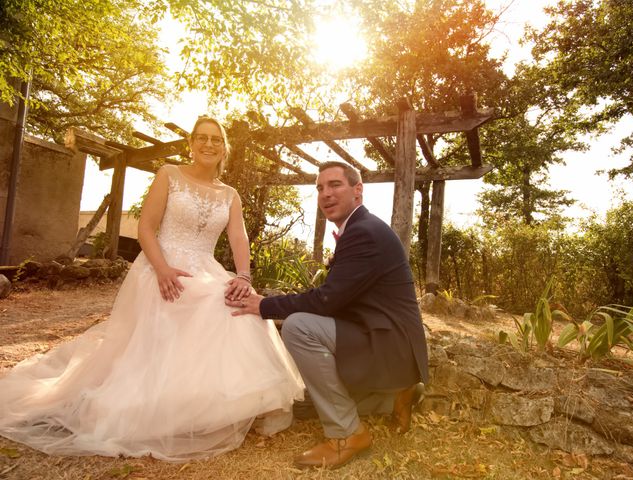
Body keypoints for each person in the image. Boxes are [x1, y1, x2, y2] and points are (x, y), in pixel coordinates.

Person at [0, 116, 304, 462]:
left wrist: (244, 276)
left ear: (224, 148)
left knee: (239, 305)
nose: (208, 144)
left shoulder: (230, 195)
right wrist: (162, 270)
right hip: (161, 264)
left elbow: (239, 236)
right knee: (188, 316)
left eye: (215, 139)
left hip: (205, 267)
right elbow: (146, 227)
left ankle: (223, 405)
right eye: (201, 138)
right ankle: (166, 407)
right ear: (190, 143)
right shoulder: (169, 175)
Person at [226, 161, 429, 469]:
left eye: (335, 185)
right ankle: (397, 396)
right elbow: (340, 298)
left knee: (298, 327)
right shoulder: (361, 228)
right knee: (305, 405)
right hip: (380, 334)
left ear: (357, 190)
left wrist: (263, 305)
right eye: (320, 188)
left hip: (388, 341)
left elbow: (325, 301)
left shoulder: (364, 232)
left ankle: (347, 433)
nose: (325, 194)